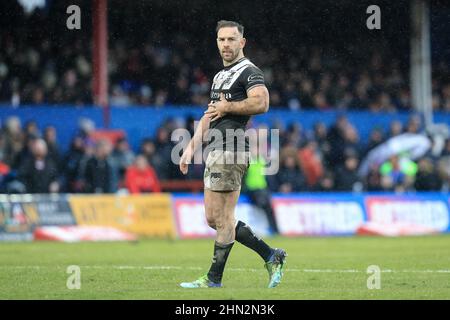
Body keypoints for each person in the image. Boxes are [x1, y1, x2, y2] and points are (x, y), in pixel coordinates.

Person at [178, 20, 286, 289]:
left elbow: (262, 102)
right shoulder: (219, 76)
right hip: (216, 148)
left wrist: (228, 106)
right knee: (214, 219)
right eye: (221, 40)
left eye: (231, 39)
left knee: (223, 218)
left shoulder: (249, 71)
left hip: (231, 148)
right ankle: (271, 255)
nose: (225, 44)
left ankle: (213, 279)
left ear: (242, 42)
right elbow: (210, 113)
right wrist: (191, 148)